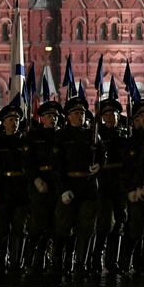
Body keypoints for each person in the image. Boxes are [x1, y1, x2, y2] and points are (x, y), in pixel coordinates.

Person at [51, 96, 105, 277]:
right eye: (76, 113)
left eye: (82, 112)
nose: (80, 116)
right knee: (64, 226)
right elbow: (57, 166)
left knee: (86, 226)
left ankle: (81, 262)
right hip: (69, 185)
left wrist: (99, 166)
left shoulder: (92, 134)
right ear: (68, 116)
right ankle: (60, 258)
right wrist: (63, 189)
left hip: (88, 186)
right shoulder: (61, 136)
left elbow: (102, 156)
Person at [0, 100, 30, 272]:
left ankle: (15, 263)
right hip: (4, 189)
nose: (14, 122)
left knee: (19, 228)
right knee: (0, 228)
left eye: (17, 119)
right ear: (4, 122)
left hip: (21, 189)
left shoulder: (25, 142)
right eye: (11, 119)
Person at [118, 99, 144, 275]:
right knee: (135, 228)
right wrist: (130, 189)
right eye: (142, 116)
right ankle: (126, 261)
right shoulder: (130, 143)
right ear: (135, 121)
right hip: (136, 189)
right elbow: (126, 169)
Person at [24, 101, 62, 271]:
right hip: (40, 183)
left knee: (55, 223)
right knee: (38, 222)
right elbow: (28, 161)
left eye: (55, 116)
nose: (52, 119)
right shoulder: (34, 137)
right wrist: (36, 179)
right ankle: (31, 258)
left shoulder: (62, 135)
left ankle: (49, 257)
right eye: (49, 116)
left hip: (57, 183)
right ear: (42, 118)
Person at [94, 98, 128, 274]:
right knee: (105, 221)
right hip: (103, 181)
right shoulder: (97, 135)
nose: (109, 117)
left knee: (120, 220)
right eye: (106, 114)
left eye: (113, 114)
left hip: (119, 181)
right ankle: (96, 258)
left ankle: (112, 260)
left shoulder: (123, 134)